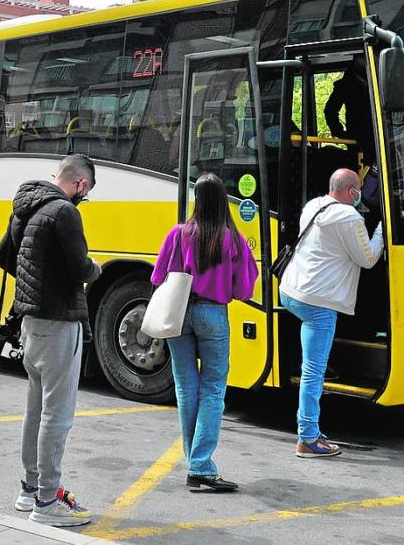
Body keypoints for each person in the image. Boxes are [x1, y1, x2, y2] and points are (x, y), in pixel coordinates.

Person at [0, 154, 101, 527]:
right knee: (58, 413)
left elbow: (3, 256)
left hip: (31, 322)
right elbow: (79, 267)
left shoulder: (25, 206)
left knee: (36, 409)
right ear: (81, 185)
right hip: (59, 322)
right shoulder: (65, 212)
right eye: (84, 194)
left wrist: (38, 278)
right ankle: (47, 501)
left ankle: (29, 489)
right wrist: (96, 269)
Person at [150, 173, 258, 493]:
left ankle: (194, 462)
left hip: (178, 314)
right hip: (213, 313)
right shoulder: (232, 238)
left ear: (197, 199)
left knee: (186, 387)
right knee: (213, 389)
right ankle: (200, 465)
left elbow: (158, 277)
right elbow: (244, 287)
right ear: (223, 199)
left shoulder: (178, 234)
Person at [280, 168, 384, 458]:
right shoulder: (350, 217)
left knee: (312, 363)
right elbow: (368, 259)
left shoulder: (314, 205)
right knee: (313, 371)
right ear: (352, 192)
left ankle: (310, 432)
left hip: (291, 292)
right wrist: (382, 231)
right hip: (318, 302)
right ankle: (308, 437)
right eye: (360, 188)